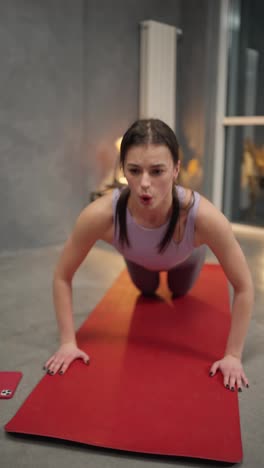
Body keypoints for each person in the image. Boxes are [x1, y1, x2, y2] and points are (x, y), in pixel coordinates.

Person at [44, 119, 254, 392]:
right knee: (148, 290)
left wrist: (233, 356)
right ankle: (148, 277)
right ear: (123, 170)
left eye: (157, 171)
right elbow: (62, 275)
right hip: (138, 260)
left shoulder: (203, 217)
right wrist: (68, 342)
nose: (144, 183)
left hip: (185, 259)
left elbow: (244, 286)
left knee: (179, 291)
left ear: (176, 169)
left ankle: (179, 275)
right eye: (134, 170)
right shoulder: (101, 215)